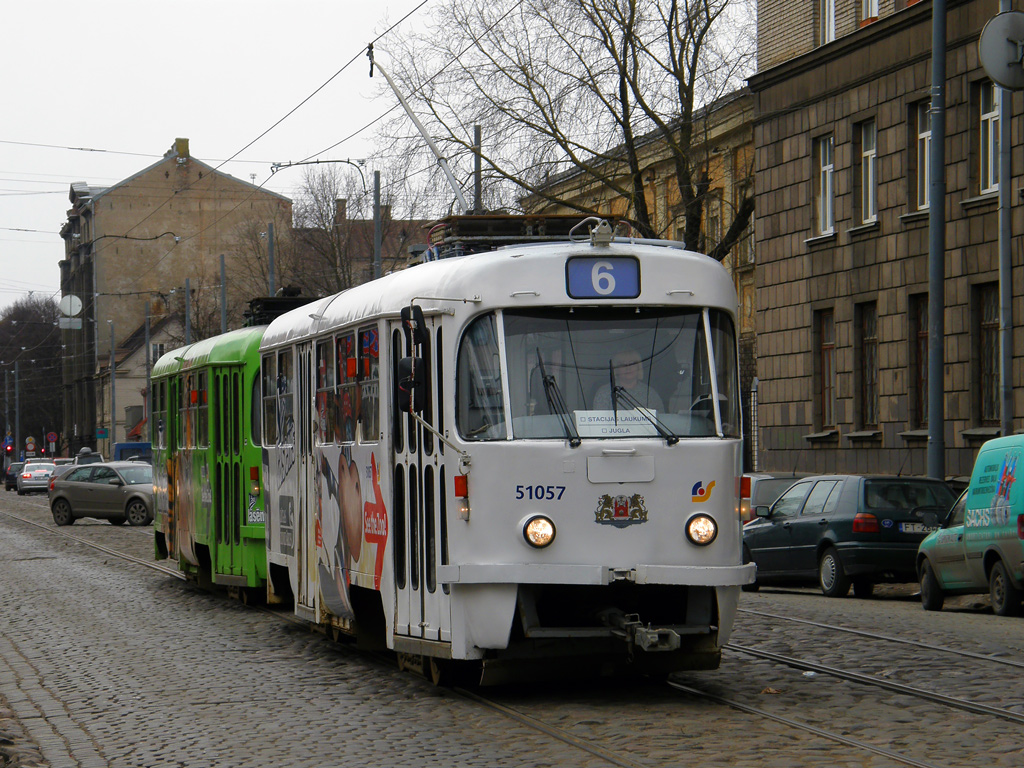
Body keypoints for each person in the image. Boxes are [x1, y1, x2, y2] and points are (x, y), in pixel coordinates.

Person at [592, 349, 664, 411]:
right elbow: (598, 424)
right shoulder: (604, 393)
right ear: (616, 369)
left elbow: (659, 420)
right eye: (622, 364)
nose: (628, 368)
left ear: (638, 367)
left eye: (632, 363)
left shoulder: (650, 394)